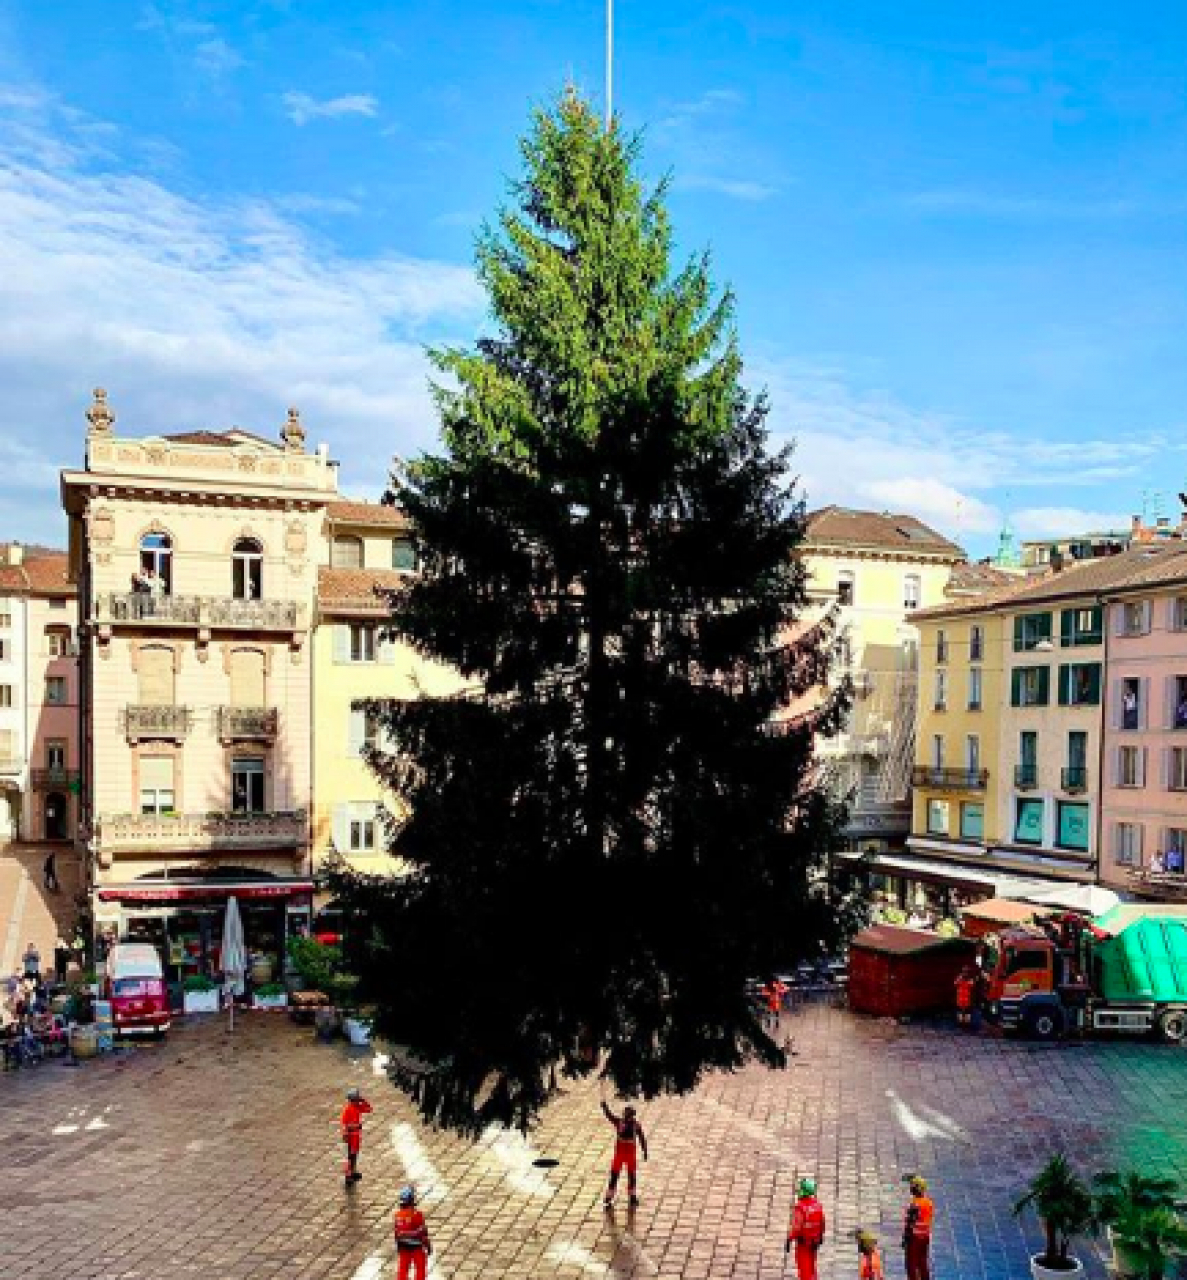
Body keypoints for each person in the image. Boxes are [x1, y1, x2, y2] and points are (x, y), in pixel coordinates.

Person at [601, 1098, 648, 1208]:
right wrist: (605, 1107)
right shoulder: (631, 1124)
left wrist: (644, 1150)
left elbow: (642, 1138)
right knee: (620, 1175)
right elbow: (609, 1116)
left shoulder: (625, 1123)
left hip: (624, 1153)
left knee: (623, 1175)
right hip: (624, 1154)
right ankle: (614, 1196)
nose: (625, 1116)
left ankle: (624, 1196)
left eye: (627, 1114)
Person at [786, 1177, 826, 1280]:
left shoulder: (800, 1208)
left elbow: (797, 1227)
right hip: (815, 1242)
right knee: (812, 1264)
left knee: (804, 1268)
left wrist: (789, 1238)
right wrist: (820, 1237)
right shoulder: (818, 1205)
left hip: (803, 1243)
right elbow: (822, 1223)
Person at [393, 1185, 432, 1280]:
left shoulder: (397, 1215)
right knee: (420, 1268)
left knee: (403, 1268)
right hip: (417, 1247)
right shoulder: (417, 1215)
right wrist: (428, 1245)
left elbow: (396, 1233)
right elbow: (423, 1233)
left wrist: (398, 1246)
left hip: (403, 1246)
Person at [902, 1175, 935, 1280]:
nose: (911, 1188)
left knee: (911, 1264)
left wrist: (905, 1239)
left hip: (914, 1238)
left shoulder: (915, 1205)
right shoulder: (929, 1203)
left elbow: (910, 1223)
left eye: (912, 1186)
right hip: (925, 1237)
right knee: (922, 1262)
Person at [339, 1086, 372, 1188]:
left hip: (357, 1136)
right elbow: (345, 1124)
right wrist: (356, 1126)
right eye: (357, 1098)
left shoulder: (357, 1107)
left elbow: (369, 1109)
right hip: (351, 1137)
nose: (358, 1100)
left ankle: (353, 1172)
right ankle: (348, 1176)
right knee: (350, 1157)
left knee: (354, 1156)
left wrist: (364, 1101)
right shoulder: (347, 1110)